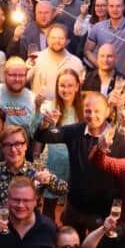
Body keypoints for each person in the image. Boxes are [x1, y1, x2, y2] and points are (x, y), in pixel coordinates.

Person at [35, 91, 125, 234]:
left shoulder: (119, 142)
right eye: (88, 111)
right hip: (74, 206)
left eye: (97, 111)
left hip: (101, 211)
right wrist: (44, 123)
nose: (92, 115)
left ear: (107, 112)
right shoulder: (75, 130)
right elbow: (43, 136)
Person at [0, 126, 68, 216]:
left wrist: (49, 180)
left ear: (26, 146)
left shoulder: (36, 171)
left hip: (30, 226)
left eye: (18, 144)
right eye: (8, 145)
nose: (13, 149)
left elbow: (64, 190)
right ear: (2, 148)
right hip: (0, 224)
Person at [36, 68, 83, 216]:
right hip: (53, 162)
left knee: (71, 207)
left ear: (77, 86)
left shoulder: (83, 108)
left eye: (70, 85)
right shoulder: (49, 107)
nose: (66, 89)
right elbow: (36, 133)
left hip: (75, 163)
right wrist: (43, 121)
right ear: (57, 87)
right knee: (49, 206)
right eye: (62, 85)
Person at [84, 0, 125, 74]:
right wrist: (99, 65)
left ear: (123, 7)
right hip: (102, 76)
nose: (115, 9)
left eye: (118, 6)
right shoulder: (98, 27)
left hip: (122, 77)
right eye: (111, 6)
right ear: (107, 8)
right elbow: (87, 51)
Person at [28, 25, 84, 100]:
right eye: (53, 38)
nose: (57, 41)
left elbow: (79, 89)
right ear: (47, 39)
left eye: (61, 38)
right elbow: (22, 80)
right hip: (40, 108)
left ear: (67, 41)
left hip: (65, 109)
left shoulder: (76, 62)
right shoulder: (35, 58)